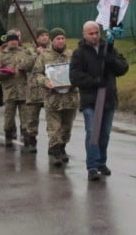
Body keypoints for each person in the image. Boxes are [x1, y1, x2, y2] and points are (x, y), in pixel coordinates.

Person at [69, 21, 129, 181]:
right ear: (84, 34)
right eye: (91, 33)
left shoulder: (108, 48)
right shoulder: (79, 53)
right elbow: (75, 76)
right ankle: (92, 166)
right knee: (93, 133)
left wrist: (112, 61)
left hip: (107, 97)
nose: (94, 36)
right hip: (91, 99)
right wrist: (95, 81)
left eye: (96, 32)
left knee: (104, 134)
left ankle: (102, 162)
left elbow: (123, 68)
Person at [33, 28, 79, 166]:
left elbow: (80, 71)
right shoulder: (44, 56)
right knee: (54, 128)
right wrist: (46, 81)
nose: (60, 41)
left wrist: (76, 80)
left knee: (67, 127)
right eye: (57, 38)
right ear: (52, 40)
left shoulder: (72, 55)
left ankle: (62, 147)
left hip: (70, 98)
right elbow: (36, 74)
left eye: (62, 38)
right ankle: (55, 151)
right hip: (53, 98)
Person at [0, 29, 30, 147]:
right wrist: (2, 74)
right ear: (7, 42)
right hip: (9, 91)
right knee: (9, 118)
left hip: (23, 91)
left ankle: (27, 140)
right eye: (11, 40)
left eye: (15, 40)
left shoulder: (24, 52)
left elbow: (33, 65)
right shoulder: (1, 55)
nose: (13, 42)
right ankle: (8, 137)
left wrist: (27, 69)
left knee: (26, 119)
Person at [21, 27, 50, 153]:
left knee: (52, 120)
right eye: (42, 35)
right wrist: (36, 54)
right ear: (37, 38)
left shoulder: (51, 50)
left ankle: (54, 145)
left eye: (46, 35)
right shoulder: (29, 51)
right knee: (32, 119)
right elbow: (24, 66)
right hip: (33, 90)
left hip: (48, 89)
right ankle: (31, 140)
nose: (45, 37)